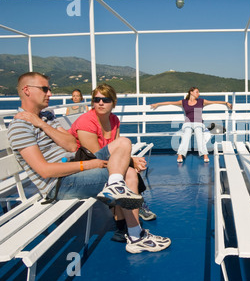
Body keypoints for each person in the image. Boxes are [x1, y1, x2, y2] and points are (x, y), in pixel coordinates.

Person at [8, 72, 170, 254]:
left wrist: (42, 124)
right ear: (27, 90)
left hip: (74, 168)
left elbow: (70, 145)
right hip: (59, 184)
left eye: (50, 89)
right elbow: (45, 171)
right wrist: (87, 165)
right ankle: (135, 236)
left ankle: (115, 186)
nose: (50, 93)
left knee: (123, 142)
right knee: (129, 173)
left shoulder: (46, 118)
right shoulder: (20, 127)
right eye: (45, 89)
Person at [69, 83, 156, 243]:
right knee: (126, 171)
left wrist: (130, 159)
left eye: (106, 99)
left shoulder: (114, 120)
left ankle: (124, 226)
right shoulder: (86, 122)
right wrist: (131, 160)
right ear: (93, 102)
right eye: (97, 99)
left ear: (113, 103)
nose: (101, 103)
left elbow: (116, 152)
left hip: (102, 162)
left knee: (125, 169)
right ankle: (129, 221)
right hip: (85, 166)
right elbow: (97, 157)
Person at [150, 87, 232, 163]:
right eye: (197, 92)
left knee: (199, 135)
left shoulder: (201, 101)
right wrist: (158, 104)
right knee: (186, 135)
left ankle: (204, 154)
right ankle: (180, 154)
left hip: (198, 123)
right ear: (191, 92)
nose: (198, 94)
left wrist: (226, 102)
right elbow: (170, 102)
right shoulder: (184, 102)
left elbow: (214, 102)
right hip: (188, 123)